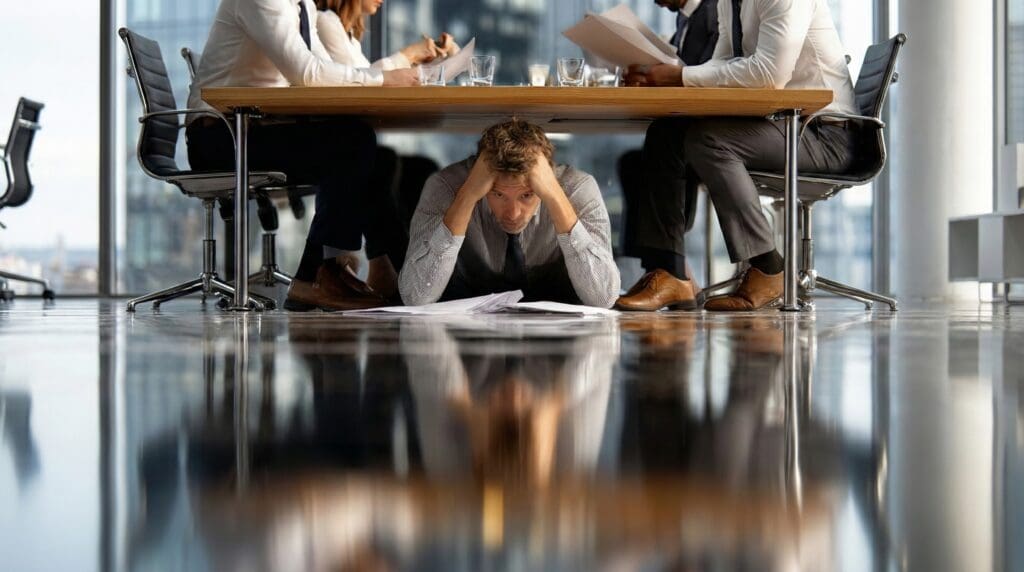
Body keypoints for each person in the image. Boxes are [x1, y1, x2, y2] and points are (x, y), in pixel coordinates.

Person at [616, 0, 860, 312]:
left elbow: (770, 74)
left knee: (708, 141)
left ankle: (769, 268)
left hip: (826, 135)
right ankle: (669, 271)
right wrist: (670, 75)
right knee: (666, 132)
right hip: (785, 127)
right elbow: (721, 62)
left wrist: (680, 78)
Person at [185, 0, 419, 312]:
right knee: (353, 142)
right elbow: (307, 73)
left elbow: (325, 71)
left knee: (364, 149)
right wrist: (382, 80)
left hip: (253, 129)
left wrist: (388, 75)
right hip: (220, 139)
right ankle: (317, 277)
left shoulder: (302, 5)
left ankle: (402, 280)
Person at [313, 0, 458, 298]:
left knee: (416, 168)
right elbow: (359, 81)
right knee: (381, 163)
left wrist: (428, 64)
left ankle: (399, 269)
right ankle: (397, 270)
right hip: (328, 139)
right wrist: (407, 55)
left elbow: (366, 76)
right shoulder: (327, 22)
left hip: (343, 137)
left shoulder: (349, 34)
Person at [398, 120, 621, 309]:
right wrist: (467, 195)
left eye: (526, 195)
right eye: (498, 194)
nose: (513, 214)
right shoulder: (447, 187)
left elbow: (602, 297)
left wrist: (554, 195)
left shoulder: (576, 188)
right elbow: (415, 296)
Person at [619, 0, 719, 291]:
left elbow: (708, 74)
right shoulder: (687, 20)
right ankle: (661, 269)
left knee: (663, 143)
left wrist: (670, 77)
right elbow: (679, 71)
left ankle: (672, 272)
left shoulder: (714, 15)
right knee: (633, 163)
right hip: (693, 128)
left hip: (719, 133)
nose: (655, 2)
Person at [315, 0, 459, 71]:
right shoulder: (326, 21)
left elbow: (369, 76)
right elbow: (362, 81)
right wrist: (410, 54)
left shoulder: (350, 36)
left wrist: (424, 57)